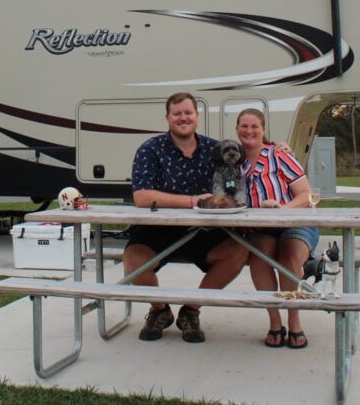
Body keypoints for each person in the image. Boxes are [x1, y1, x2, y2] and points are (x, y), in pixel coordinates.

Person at [124, 92, 249, 343]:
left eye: (188, 112)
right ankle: (160, 310)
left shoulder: (216, 149)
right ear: (167, 117)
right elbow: (142, 197)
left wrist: (276, 147)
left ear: (197, 115)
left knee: (238, 252)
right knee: (133, 259)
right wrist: (194, 201)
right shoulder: (150, 149)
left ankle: (191, 310)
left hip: (204, 229)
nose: (183, 118)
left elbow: (240, 174)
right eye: (177, 113)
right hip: (157, 229)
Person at [236, 107, 318, 349]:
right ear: (237, 129)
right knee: (259, 258)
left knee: (289, 257)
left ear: (263, 130)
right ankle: (274, 322)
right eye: (244, 126)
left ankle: (294, 320)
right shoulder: (233, 160)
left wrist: (284, 208)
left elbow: (306, 193)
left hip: (294, 221)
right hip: (261, 228)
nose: (249, 131)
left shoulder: (278, 154)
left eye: (254, 126)